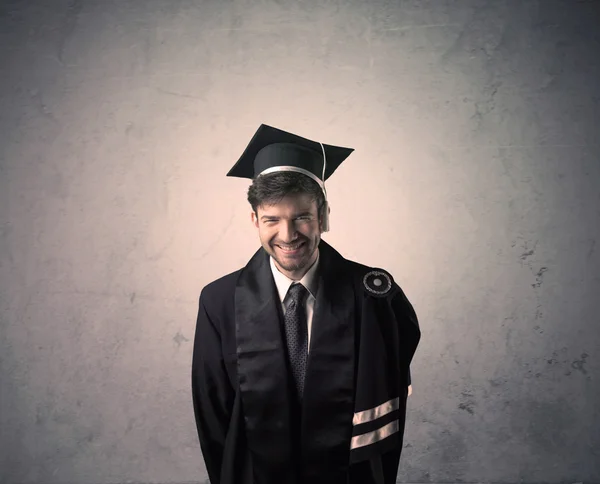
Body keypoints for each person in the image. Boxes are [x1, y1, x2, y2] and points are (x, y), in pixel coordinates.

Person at [191, 124, 421, 484]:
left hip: (347, 472)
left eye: (301, 217)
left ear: (323, 216)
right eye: (272, 219)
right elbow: (212, 411)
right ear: (254, 220)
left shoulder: (372, 295)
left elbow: (390, 389)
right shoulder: (219, 301)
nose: (287, 235)